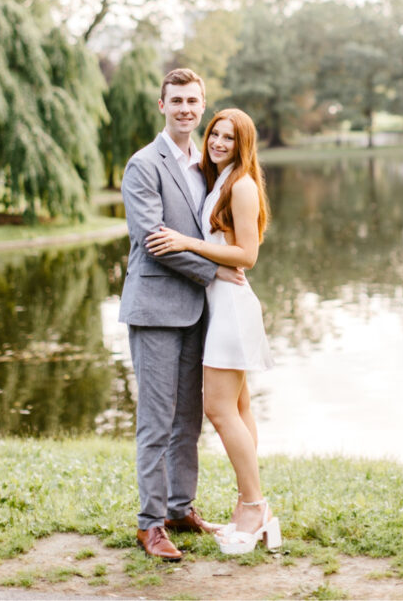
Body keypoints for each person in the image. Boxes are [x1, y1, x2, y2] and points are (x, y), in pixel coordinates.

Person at [119, 68, 246, 561]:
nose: (186, 109)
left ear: (203, 103)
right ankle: (150, 525)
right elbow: (154, 242)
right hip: (155, 308)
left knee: (188, 420)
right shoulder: (143, 165)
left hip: (197, 312)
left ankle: (179, 508)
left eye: (194, 101)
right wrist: (214, 273)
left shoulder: (205, 165)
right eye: (177, 101)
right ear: (162, 105)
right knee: (155, 421)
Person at [145, 107, 280, 555]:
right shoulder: (217, 179)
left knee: (219, 411)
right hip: (217, 304)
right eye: (215, 134)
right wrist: (208, 265)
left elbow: (247, 254)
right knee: (239, 409)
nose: (219, 142)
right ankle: (251, 505)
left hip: (231, 311)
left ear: (244, 144)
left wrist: (186, 243)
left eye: (229, 137)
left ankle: (254, 507)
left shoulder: (241, 185)